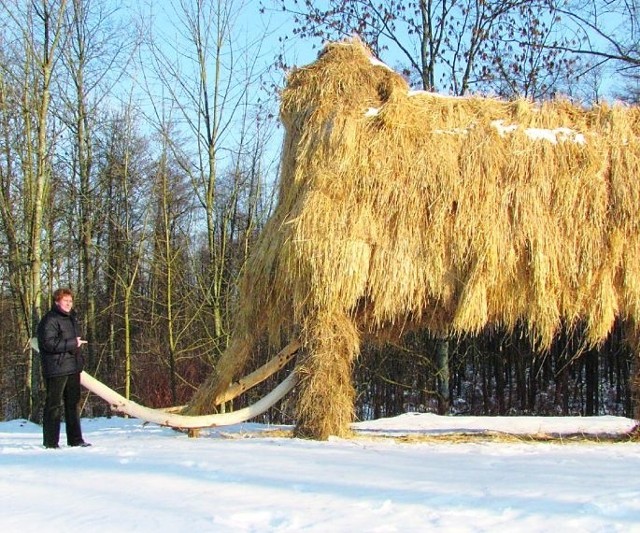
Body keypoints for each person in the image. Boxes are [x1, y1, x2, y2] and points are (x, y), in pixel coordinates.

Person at [37, 287, 91, 449]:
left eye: (70, 301)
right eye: (65, 301)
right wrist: (73, 343)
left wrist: (77, 353)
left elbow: (72, 341)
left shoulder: (72, 318)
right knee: (54, 405)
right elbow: (48, 344)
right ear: (56, 302)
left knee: (73, 404)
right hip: (56, 368)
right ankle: (51, 442)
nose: (69, 304)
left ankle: (75, 439)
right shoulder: (49, 320)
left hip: (72, 367)